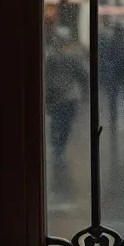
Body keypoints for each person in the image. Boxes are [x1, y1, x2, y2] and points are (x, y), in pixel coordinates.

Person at [45, 27, 88, 186]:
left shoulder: (50, 55)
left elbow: (45, 76)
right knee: (64, 123)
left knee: (57, 122)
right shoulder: (73, 55)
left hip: (57, 97)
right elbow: (83, 74)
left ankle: (57, 147)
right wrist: (85, 92)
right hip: (69, 96)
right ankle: (59, 147)